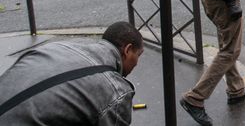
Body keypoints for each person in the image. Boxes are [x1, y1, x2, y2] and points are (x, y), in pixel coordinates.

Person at [0, 21, 143, 125]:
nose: (137, 63)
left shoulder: (58, 47)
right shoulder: (116, 91)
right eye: (138, 55)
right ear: (127, 50)